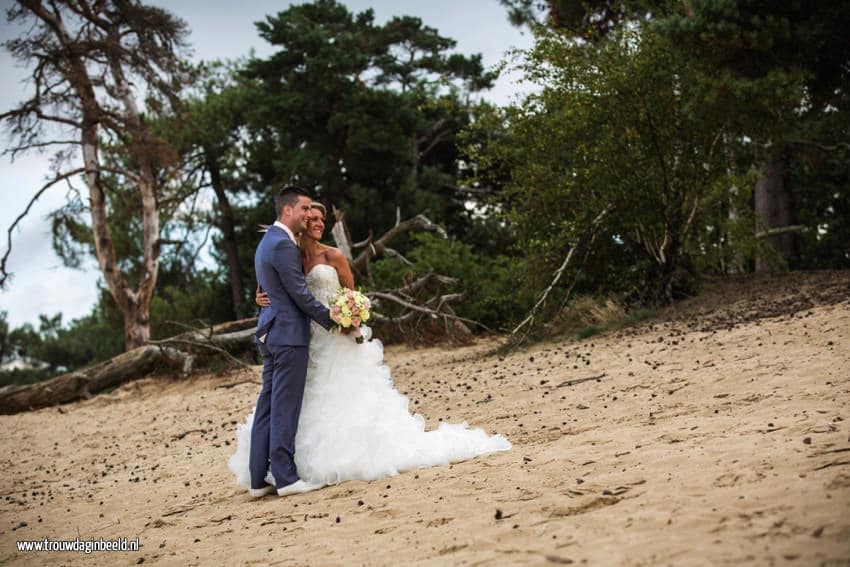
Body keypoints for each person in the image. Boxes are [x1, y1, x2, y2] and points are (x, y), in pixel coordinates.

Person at [228, 202, 511, 493]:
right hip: (307, 336)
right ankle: (280, 470)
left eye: (320, 219)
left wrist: (352, 316)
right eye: (310, 217)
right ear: (298, 219)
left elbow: (351, 295)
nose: (316, 223)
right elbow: (283, 286)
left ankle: (308, 464)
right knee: (294, 400)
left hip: (334, 336)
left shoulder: (333, 255)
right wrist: (261, 296)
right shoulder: (291, 254)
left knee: (332, 394)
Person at [245, 186, 334, 498]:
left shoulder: (268, 240)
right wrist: (332, 320)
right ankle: (285, 478)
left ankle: (258, 481)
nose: (309, 214)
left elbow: (273, 290)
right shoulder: (282, 245)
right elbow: (299, 293)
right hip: (287, 336)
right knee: (284, 408)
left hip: (271, 332)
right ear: (288, 210)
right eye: (305, 208)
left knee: (267, 407)